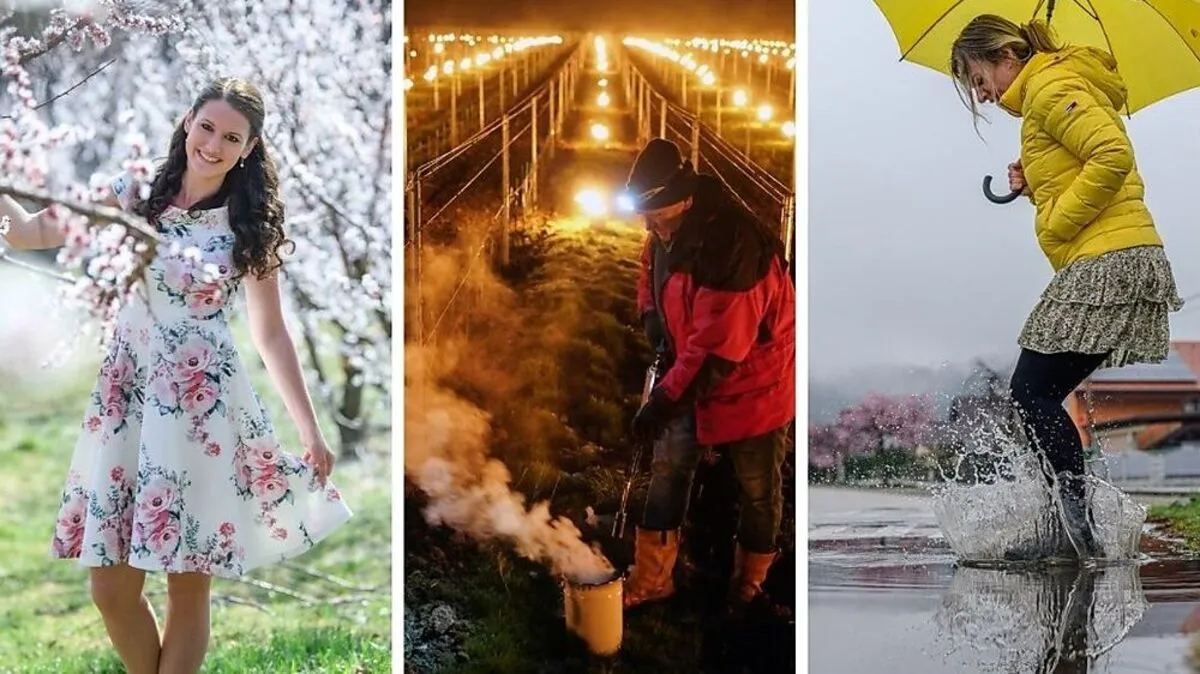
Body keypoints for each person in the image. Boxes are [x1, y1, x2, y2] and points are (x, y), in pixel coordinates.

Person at [0, 77, 353, 673]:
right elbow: (30, 232)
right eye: (207, 127)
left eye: (231, 138)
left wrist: (311, 432)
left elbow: (270, 334)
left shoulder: (247, 228)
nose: (213, 145)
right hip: (127, 394)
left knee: (188, 587)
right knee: (111, 590)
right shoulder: (134, 192)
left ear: (249, 148)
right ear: (188, 121)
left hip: (202, 407)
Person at [950, 16, 1183, 557]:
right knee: (1037, 392)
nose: (983, 96)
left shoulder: (1052, 88)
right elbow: (1087, 161)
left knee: (1031, 391)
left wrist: (1054, 216)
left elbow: (1113, 157)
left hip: (1110, 258)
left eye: (980, 80)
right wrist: (1038, 180)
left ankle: (1074, 530)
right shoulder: (1048, 96)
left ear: (1008, 54)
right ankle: (1069, 524)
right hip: (1115, 253)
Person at [621, 137, 795, 617]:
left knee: (757, 488)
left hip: (754, 386)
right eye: (645, 215)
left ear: (684, 197)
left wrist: (659, 404)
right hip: (691, 371)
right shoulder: (667, 228)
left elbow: (716, 352)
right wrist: (651, 315)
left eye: (654, 212)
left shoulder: (732, 249)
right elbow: (649, 268)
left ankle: (748, 586)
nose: (648, 223)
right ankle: (653, 579)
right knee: (668, 469)